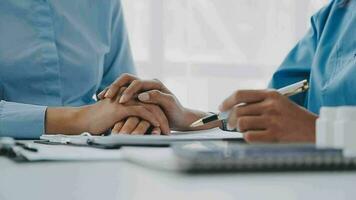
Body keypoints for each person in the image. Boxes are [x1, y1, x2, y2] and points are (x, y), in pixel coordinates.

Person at [100, 0, 356, 143]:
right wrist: (187, 118)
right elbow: (274, 120)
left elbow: (305, 129)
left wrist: (320, 132)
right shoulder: (336, 15)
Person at [0, 0, 170, 139]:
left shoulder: (104, 4)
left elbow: (122, 96)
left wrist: (134, 115)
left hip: (92, 152)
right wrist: (79, 119)